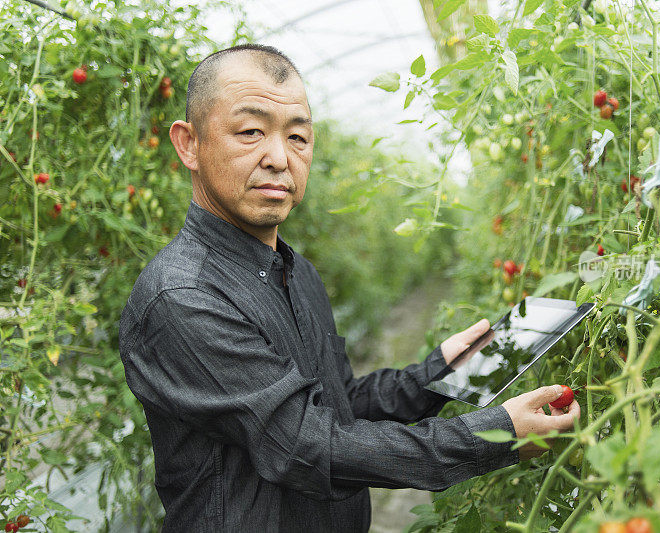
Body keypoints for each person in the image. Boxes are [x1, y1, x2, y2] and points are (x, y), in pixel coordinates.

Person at [118, 43, 580, 532]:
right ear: (189, 143)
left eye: (298, 136)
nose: (279, 158)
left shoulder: (295, 272)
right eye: (250, 132)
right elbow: (309, 444)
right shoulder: (183, 298)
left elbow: (338, 403)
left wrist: (436, 374)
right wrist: (492, 433)